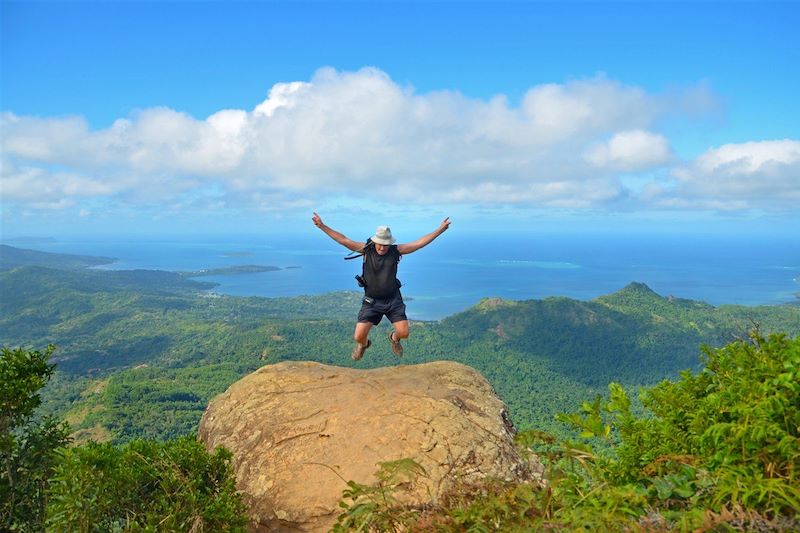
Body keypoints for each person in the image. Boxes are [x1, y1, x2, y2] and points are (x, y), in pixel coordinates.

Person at [312, 212, 451, 360]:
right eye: (380, 244)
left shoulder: (395, 251)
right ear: (374, 241)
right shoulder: (366, 249)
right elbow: (343, 239)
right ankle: (363, 345)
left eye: (386, 245)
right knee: (358, 336)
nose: (383, 248)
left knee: (404, 333)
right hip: (371, 301)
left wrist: (440, 230)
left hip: (393, 299)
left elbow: (418, 243)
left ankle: (394, 338)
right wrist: (322, 226)